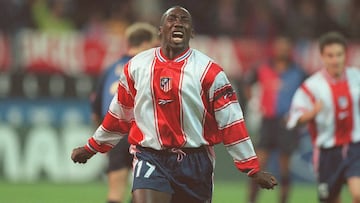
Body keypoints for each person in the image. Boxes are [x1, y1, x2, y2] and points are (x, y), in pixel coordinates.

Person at [72, 6, 278, 203]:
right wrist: (91, 147)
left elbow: (231, 122)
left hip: (196, 162)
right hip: (150, 156)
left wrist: (252, 168)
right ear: (160, 31)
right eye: (172, 19)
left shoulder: (210, 72)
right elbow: (119, 116)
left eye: (184, 20)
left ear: (192, 32)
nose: (178, 23)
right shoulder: (136, 67)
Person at [287, 31, 360, 203]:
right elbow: (294, 118)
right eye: (330, 55)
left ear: (345, 55)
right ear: (322, 56)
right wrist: (312, 113)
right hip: (327, 152)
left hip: (355, 147)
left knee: (358, 194)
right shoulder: (312, 86)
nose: (335, 60)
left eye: (339, 55)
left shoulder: (356, 77)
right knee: (330, 199)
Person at [91, 22, 158, 203]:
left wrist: (105, 138)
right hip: (142, 135)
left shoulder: (108, 70)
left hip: (116, 135)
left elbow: (96, 113)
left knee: (115, 192)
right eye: (153, 45)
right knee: (141, 192)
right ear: (145, 44)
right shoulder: (148, 68)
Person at [244, 35, 307, 203]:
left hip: (286, 123)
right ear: (275, 49)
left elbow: (309, 94)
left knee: (284, 169)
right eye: (280, 47)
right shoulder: (263, 68)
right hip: (268, 121)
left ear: (290, 50)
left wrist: (298, 114)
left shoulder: (298, 72)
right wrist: (255, 104)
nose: (283, 50)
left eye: (286, 47)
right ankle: (251, 200)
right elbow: (248, 83)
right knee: (257, 167)